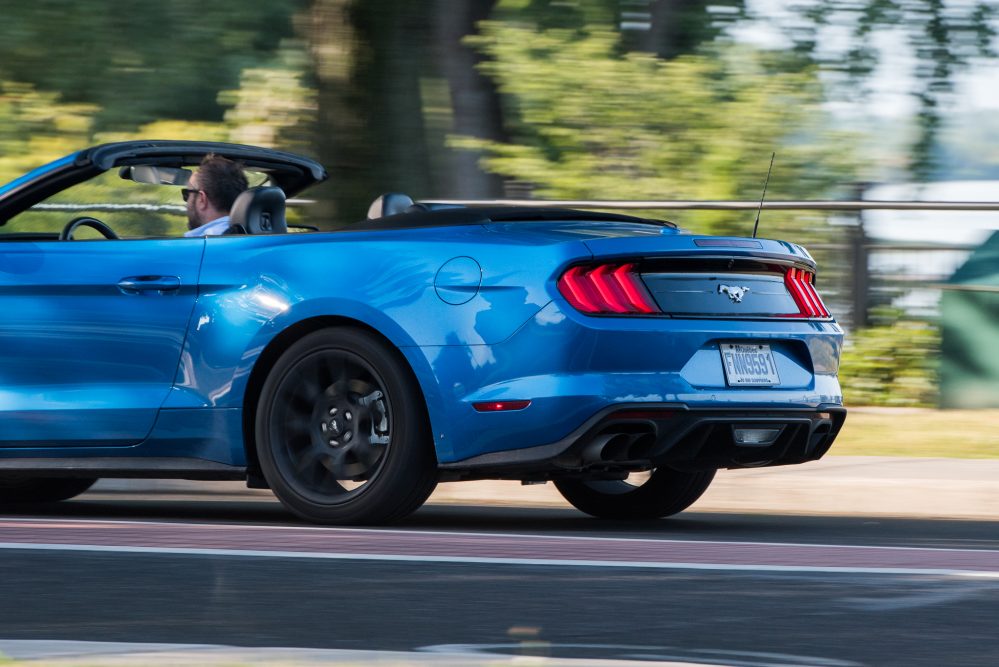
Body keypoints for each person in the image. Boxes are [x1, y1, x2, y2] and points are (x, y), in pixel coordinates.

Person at [182, 154, 248, 237]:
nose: (186, 202)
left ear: (202, 199)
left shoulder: (194, 245)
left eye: (187, 194)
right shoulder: (254, 235)